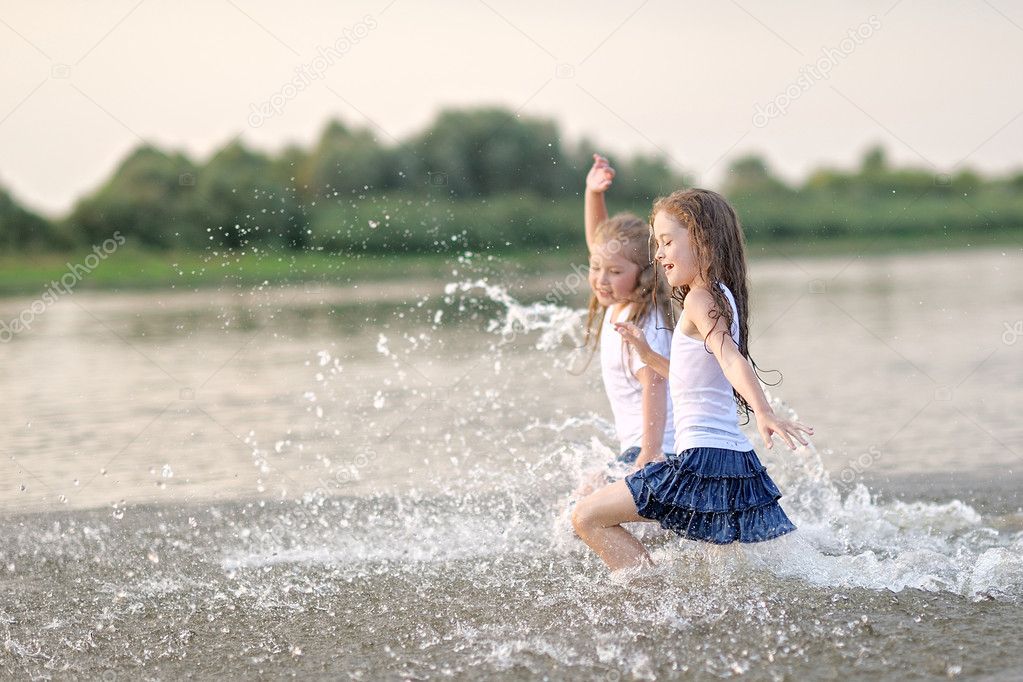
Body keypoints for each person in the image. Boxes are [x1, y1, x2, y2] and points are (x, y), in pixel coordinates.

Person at [572, 187, 813, 572]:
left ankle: (645, 594)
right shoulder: (720, 296)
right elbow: (696, 379)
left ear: (702, 239)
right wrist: (649, 357)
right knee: (719, 570)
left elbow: (730, 359)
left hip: (700, 461)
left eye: (668, 242)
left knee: (586, 517)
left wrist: (764, 411)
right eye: (657, 244)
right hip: (732, 459)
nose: (659, 254)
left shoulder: (701, 300)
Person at [572, 154, 676, 499]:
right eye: (595, 268)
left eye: (615, 273)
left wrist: (649, 454)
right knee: (579, 510)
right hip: (644, 448)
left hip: (663, 450)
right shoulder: (621, 300)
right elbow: (601, 247)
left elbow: (656, 382)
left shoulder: (646, 322)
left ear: (644, 274)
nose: (601, 279)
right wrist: (593, 194)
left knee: (580, 514)